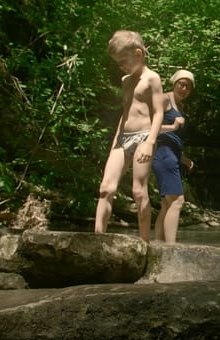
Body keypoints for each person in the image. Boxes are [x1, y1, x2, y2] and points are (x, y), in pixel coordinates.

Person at [94, 30, 164, 242]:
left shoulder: (152, 78)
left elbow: (159, 113)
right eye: (118, 63)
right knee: (106, 188)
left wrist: (150, 142)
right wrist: (116, 142)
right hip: (122, 138)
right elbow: (125, 114)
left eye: (124, 61)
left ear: (138, 53)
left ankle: (145, 244)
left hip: (144, 137)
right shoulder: (126, 81)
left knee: (138, 191)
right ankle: (97, 240)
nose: (121, 67)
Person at [152, 69, 195, 243]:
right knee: (177, 201)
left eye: (188, 87)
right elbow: (148, 127)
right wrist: (173, 127)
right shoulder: (164, 99)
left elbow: (176, 138)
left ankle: (158, 246)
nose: (184, 89)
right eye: (181, 84)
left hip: (173, 156)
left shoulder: (181, 107)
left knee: (166, 204)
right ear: (174, 83)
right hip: (163, 154)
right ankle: (171, 248)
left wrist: (183, 158)